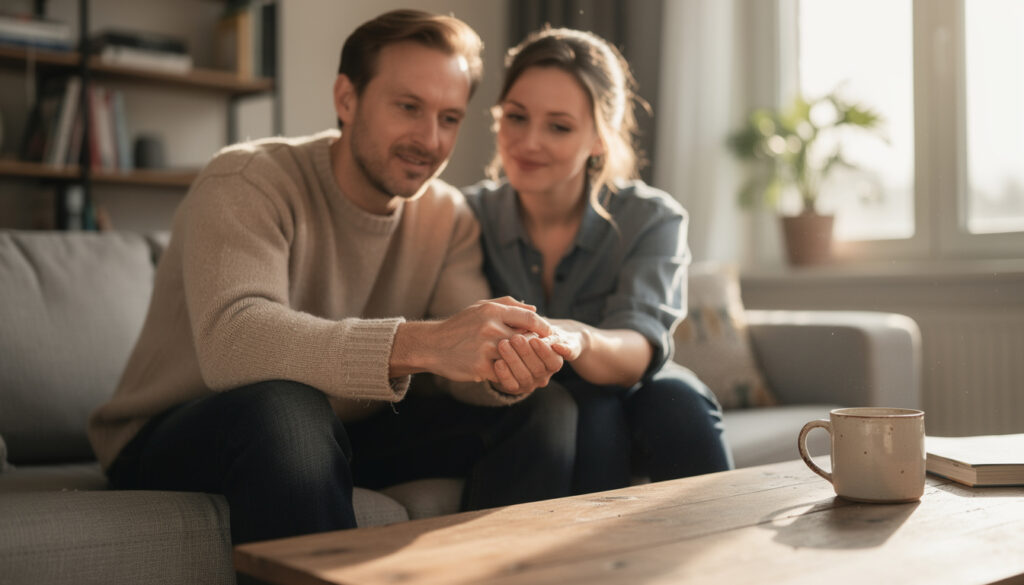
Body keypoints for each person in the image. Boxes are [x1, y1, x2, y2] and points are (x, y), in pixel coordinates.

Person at [87, 9, 575, 553]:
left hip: (336, 432)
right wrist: (424, 343)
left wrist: (503, 368)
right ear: (347, 99)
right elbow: (234, 340)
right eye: (408, 107)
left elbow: (458, 366)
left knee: (542, 410)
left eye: (449, 118)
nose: (429, 139)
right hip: (179, 429)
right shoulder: (247, 179)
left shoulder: (448, 216)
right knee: (285, 408)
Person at [465, 27, 734, 495]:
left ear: (599, 139)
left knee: (679, 400)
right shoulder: (467, 215)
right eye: (516, 117)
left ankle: (722, 539)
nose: (528, 142)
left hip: (631, 385)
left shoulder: (651, 217)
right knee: (589, 412)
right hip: (525, 405)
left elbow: (639, 349)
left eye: (559, 126)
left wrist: (576, 337)